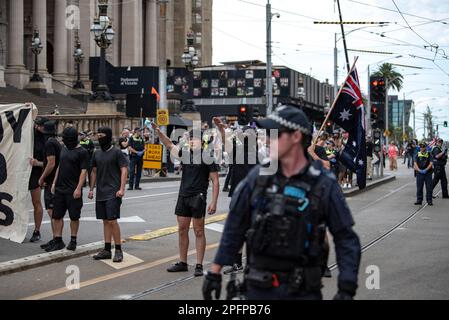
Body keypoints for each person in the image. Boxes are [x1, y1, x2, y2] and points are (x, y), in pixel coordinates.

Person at [202, 105, 361, 300]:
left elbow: (346, 239)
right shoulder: (257, 178)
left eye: (274, 133)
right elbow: (234, 227)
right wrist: (215, 272)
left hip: (302, 292)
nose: (268, 140)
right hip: (258, 290)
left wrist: (346, 289)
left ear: (295, 137)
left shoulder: (323, 183)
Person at [152, 122, 220, 277]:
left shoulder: (207, 156)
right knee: (182, 230)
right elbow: (169, 145)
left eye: (194, 139)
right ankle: (183, 262)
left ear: (201, 141)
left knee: (198, 231)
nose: (191, 141)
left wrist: (214, 202)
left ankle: (198, 264)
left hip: (198, 197)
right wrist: (159, 132)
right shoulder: (185, 153)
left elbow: (215, 181)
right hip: (183, 196)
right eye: (190, 139)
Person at [89, 127, 128, 263]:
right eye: (98, 135)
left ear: (109, 136)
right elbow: (94, 171)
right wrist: (91, 188)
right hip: (101, 191)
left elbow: (124, 169)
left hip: (113, 192)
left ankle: (118, 250)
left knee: (112, 221)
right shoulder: (96, 153)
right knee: (105, 221)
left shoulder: (117, 152)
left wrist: (122, 188)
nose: (99, 137)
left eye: (102, 135)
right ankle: (106, 249)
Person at [46, 127, 88, 252]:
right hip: (60, 188)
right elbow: (59, 166)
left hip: (73, 189)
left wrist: (78, 188)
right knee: (57, 215)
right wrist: (54, 182)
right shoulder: (63, 149)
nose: (64, 140)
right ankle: (58, 240)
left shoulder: (82, 152)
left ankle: (73, 239)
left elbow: (83, 171)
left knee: (74, 217)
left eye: (66, 138)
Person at [38, 121, 62, 250]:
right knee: (52, 211)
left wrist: (42, 178)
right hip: (54, 180)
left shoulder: (49, 143)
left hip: (52, 181)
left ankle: (57, 239)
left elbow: (51, 163)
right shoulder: (55, 142)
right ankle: (55, 238)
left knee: (53, 211)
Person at [28, 117, 48, 242]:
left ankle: (37, 230)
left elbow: (51, 163)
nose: (37, 127)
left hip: (36, 172)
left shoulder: (47, 141)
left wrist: (38, 163)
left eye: (40, 125)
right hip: (23, 170)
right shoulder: (30, 133)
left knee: (36, 202)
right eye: (36, 125)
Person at [414, 141, 433, 206]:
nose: (422, 148)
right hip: (419, 173)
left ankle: (429, 201)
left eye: (423, 146)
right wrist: (419, 170)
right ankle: (419, 200)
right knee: (419, 187)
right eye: (421, 146)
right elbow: (415, 164)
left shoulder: (429, 154)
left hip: (428, 173)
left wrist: (426, 169)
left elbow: (431, 163)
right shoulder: (417, 154)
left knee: (429, 187)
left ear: (426, 147)